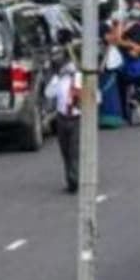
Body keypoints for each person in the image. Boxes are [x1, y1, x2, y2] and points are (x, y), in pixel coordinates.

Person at [44, 45, 92, 194]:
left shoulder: (81, 77)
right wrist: (57, 77)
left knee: (74, 150)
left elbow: (94, 97)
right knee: (65, 151)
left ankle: (75, 179)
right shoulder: (60, 78)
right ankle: (70, 178)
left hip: (77, 118)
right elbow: (49, 94)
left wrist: (83, 97)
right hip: (62, 117)